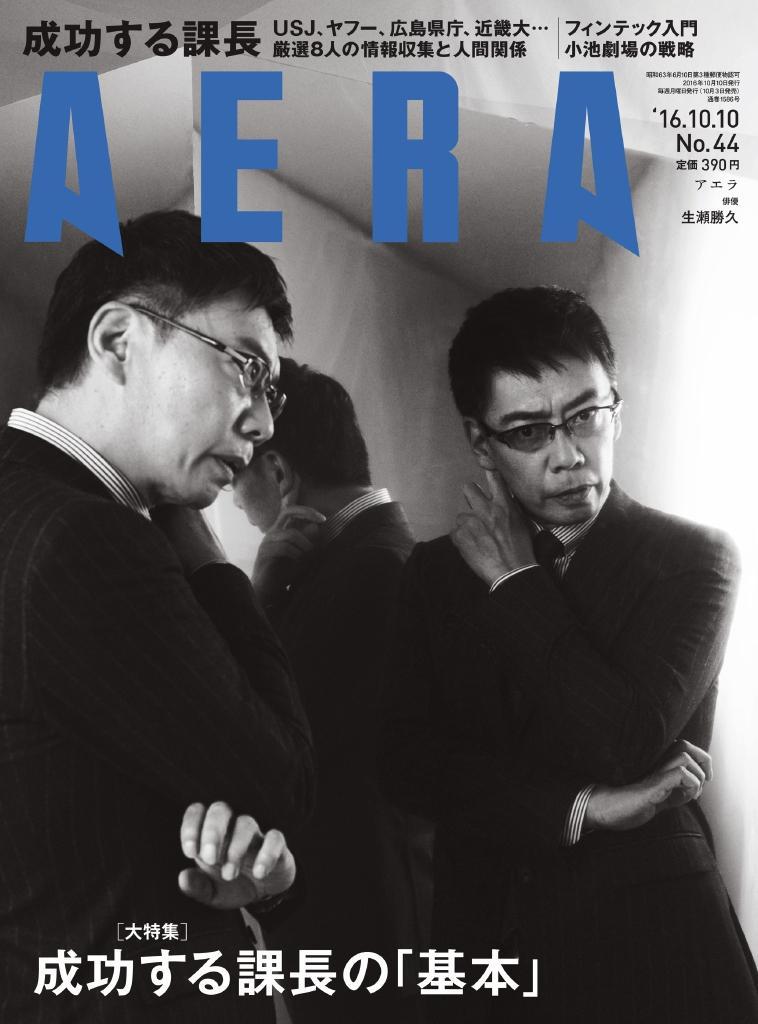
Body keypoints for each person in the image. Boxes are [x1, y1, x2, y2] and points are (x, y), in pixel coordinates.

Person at [381, 286, 758, 1022]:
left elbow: (626, 739)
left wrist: (515, 582)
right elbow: (406, 764)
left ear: (617, 407)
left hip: (654, 944)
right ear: (480, 442)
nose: (569, 455)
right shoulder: (431, 574)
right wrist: (584, 808)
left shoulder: (696, 558)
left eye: (587, 415)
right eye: (529, 431)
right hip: (489, 937)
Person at [0, 210, 315, 1022]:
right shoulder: (86, 541)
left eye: (272, 391)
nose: (265, 422)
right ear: (117, 341)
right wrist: (211, 560)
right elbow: (280, 781)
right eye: (247, 367)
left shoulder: (24, 506)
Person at [233, 359, 428, 1023]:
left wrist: (257, 597)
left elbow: (263, 738)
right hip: (365, 914)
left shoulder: (369, 574)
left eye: (237, 475)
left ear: (278, 473)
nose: (235, 500)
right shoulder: (375, 556)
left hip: (362, 922)